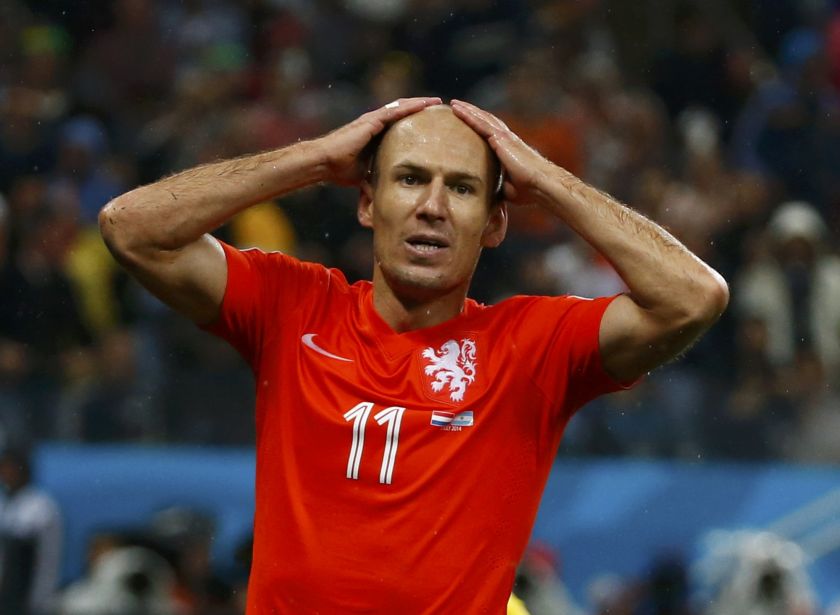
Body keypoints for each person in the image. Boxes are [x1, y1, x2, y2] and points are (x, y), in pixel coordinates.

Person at [100, 97, 728, 613]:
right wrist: (314, 158)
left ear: (495, 223)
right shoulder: (293, 307)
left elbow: (693, 297)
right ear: (367, 202)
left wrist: (548, 181)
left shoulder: (533, 346)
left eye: (462, 188)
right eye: (409, 179)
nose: (432, 207)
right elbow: (132, 228)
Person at [0, 446, 63, 615]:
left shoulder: (39, 506)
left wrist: (39, 598)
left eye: (10, 469)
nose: (6, 475)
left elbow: (43, 557)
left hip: (30, 589)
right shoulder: (5, 504)